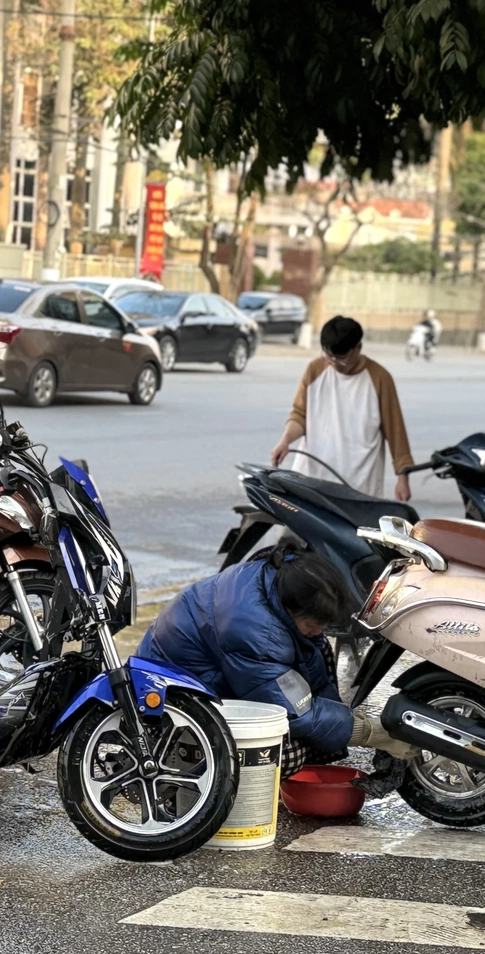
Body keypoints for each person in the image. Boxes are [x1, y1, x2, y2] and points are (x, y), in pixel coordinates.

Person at [136, 547, 413, 776]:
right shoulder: (255, 633)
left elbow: (310, 666)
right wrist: (368, 732)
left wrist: (342, 723)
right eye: (313, 623)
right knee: (285, 754)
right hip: (168, 718)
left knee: (318, 651)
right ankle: (189, 769)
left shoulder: (273, 581)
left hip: (210, 681)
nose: (319, 631)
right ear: (292, 609)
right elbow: (294, 713)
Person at [271, 315, 415, 501]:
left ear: (357, 348)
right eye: (328, 356)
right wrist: (285, 441)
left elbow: (396, 431)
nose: (333, 363)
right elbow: (300, 415)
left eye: (340, 358)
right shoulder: (315, 370)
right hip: (313, 476)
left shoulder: (379, 378)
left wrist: (402, 478)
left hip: (360, 481)